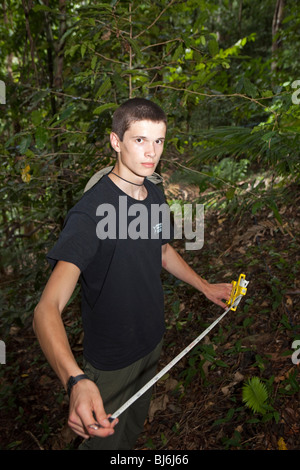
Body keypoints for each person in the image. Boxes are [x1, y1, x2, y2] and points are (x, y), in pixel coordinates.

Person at [33, 97, 232, 450]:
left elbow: (162, 251)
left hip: (152, 341)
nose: (151, 152)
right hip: (111, 361)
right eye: (139, 140)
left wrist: (205, 287)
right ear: (116, 141)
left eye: (158, 141)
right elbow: (46, 309)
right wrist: (76, 381)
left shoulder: (154, 194)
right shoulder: (90, 214)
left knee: (132, 431)